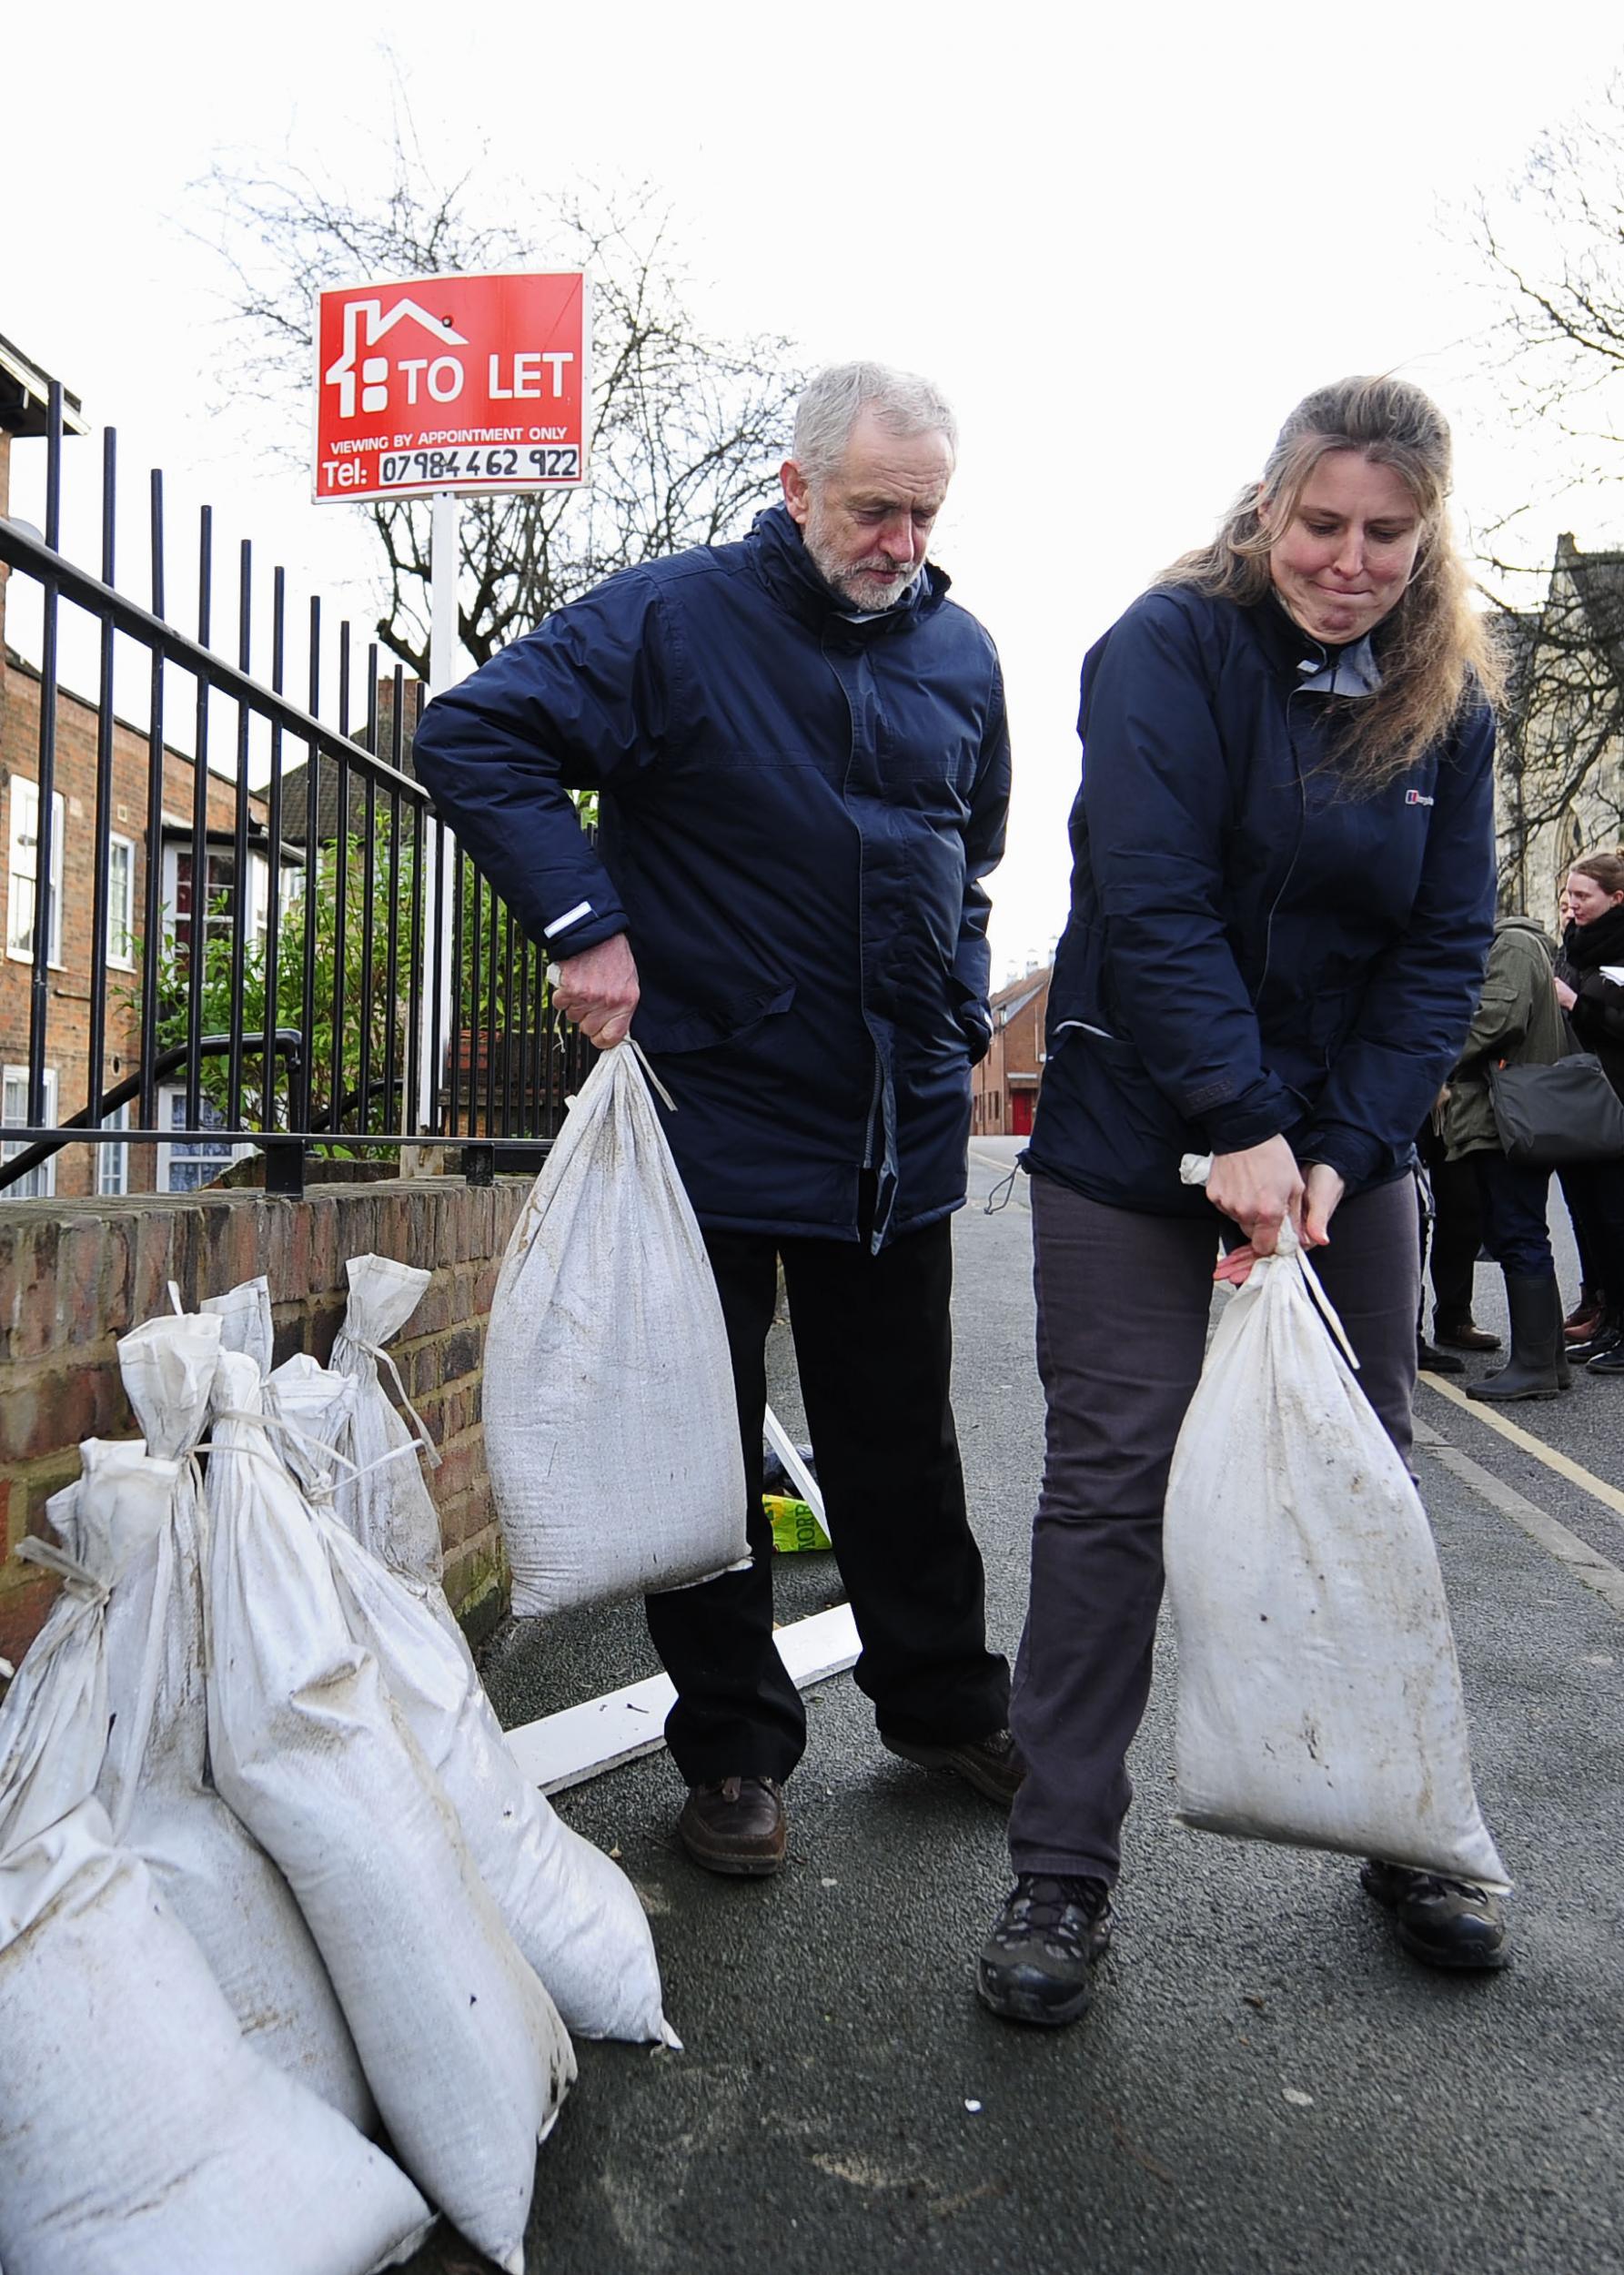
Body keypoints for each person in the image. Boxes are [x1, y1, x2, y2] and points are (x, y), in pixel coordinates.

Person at [413, 361, 1018, 1878]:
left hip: (896, 1140)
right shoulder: (675, 622)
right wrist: (580, 925)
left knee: (902, 1443)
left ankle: (943, 1703)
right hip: (717, 1115)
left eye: (925, 512)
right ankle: (735, 1756)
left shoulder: (963, 657)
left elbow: (969, 862)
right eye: (875, 507)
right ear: (798, 487)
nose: (902, 540)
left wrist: (959, 1017)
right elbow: (475, 735)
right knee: (706, 1453)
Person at [977, 374, 1507, 2030]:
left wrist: (1342, 1147)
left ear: (1429, 537)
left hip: (1342, 1152)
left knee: (1367, 1482)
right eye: (1322, 524)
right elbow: (1150, 893)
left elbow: (1441, 950)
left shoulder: (1451, 703)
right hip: (1145, 1133)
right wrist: (1240, 1126)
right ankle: (1061, 1872)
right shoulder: (1168, 647)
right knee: (1112, 1489)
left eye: (1386, 535)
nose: (1348, 562)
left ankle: (1400, 1827)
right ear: (1269, 504)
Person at [1437, 915, 1569, 1400]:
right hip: (1508, 1113)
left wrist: (1429, 1052)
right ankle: (1547, 1362)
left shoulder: (1510, 944)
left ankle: (1536, 1366)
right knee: (1522, 1231)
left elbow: (1496, 1021)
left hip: (1504, 1116)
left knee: (1517, 1232)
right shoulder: (1517, 943)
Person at [1554, 852, 1624, 1372]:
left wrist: (1575, 1004)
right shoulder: (1573, 945)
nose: (1572, 904)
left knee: (1617, 1220)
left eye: (1583, 896)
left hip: (1617, 1101)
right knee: (1592, 1220)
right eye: (1570, 894)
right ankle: (1609, 1321)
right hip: (1579, 1099)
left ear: (1615, 899)